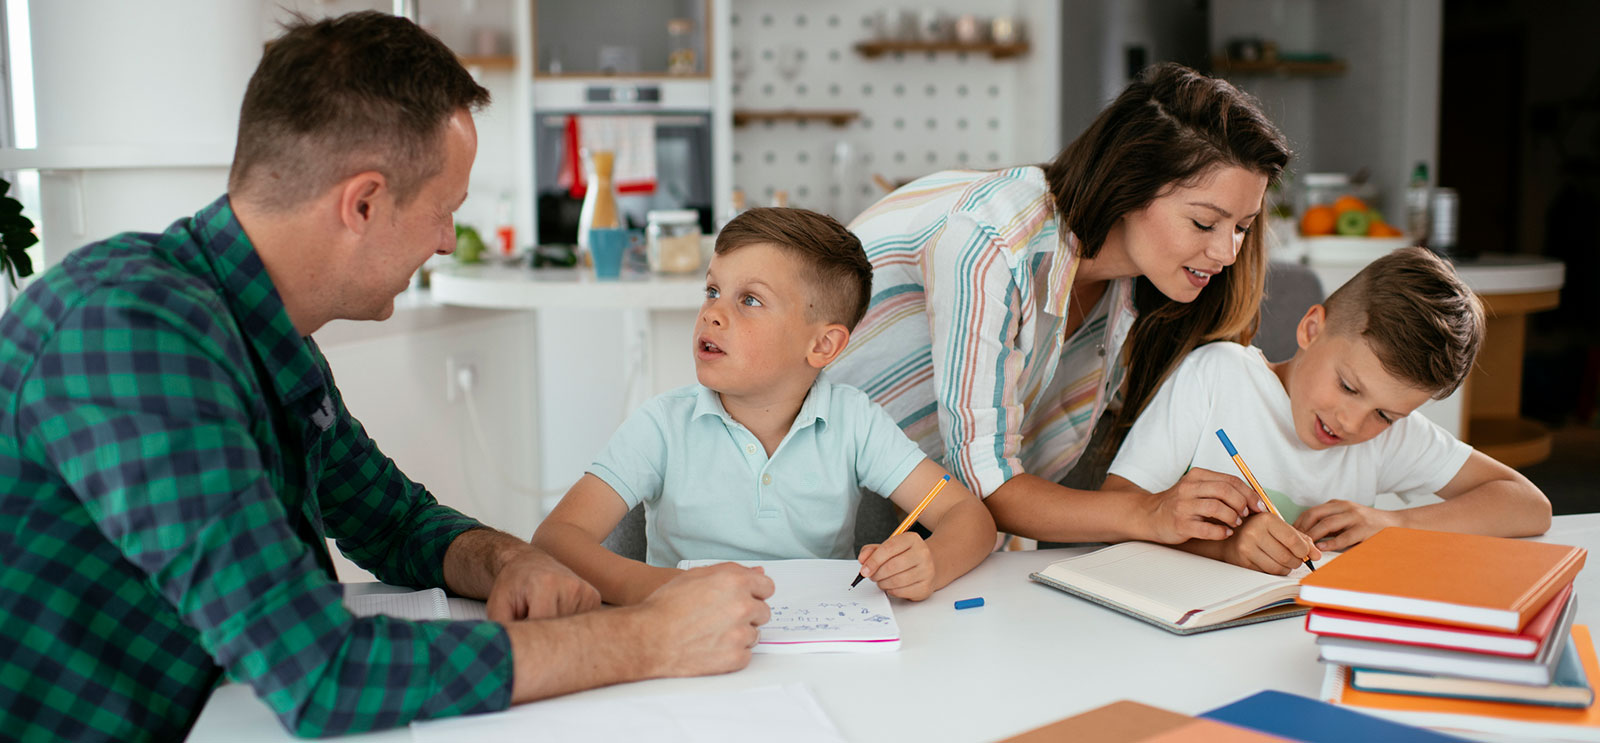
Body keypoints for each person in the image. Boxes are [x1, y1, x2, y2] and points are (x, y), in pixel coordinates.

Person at [0, 12, 772, 742]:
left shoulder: (262, 327)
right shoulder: (134, 334)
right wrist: (649, 637)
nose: (444, 241)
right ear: (363, 202)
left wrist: (509, 559)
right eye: (444, 210)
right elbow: (321, 672)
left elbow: (392, 519)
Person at [825, 63, 1290, 545]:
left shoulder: (1139, 282)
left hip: (964, 503)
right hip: (841, 484)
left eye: (1242, 226)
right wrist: (1150, 514)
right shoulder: (991, 241)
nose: (1227, 253)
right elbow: (986, 484)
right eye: (1203, 223)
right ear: (1129, 185)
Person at [531, 208, 997, 605]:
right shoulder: (661, 425)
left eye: (749, 300)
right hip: (684, 640)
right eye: (712, 291)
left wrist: (930, 563)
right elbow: (555, 540)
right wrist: (667, 588)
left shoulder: (855, 421)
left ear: (822, 345)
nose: (712, 313)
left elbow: (969, 518)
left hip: (820, 647)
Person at [1105, 247, 1552, 574]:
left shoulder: (1391, 438)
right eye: (1348, 386)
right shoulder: (1217, 377)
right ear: (1311, 328)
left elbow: (1528, 505)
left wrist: (1395, 522)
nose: (1352, 423)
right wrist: (1228, 547)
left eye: (1385, 415)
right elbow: (1118, 509)